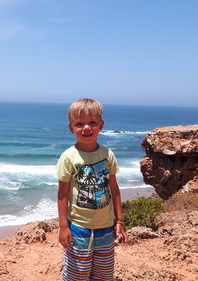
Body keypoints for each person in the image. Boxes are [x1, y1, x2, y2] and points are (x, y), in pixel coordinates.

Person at [56, 98, 129, 281]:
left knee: (103, 274)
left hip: (106, 227)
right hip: (79, 228)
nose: (86, 128)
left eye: (92, 123)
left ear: (101, 125)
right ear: (71, 128)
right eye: (79, 124)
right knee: (77, 274)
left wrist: (119, 221)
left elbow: (114, 188)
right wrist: (63, 226)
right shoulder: (68, 157)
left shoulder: (107, 155)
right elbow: (62, 194)